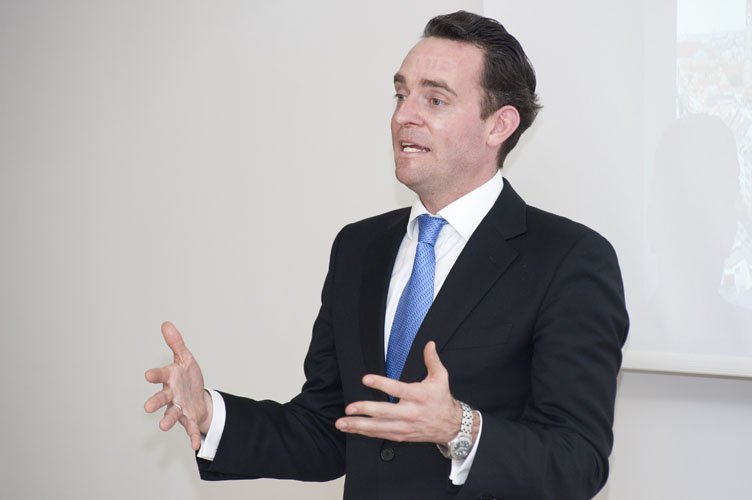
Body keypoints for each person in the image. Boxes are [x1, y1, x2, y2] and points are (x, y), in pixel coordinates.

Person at [145, 11, 628, 500]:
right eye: (401, 95)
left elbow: (578, 462)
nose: (403, 116)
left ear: (498, 125)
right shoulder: (359, 248)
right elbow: (331, 427)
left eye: (434, 99)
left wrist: (458, 427)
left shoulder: (569, 261)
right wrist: (210, 413)